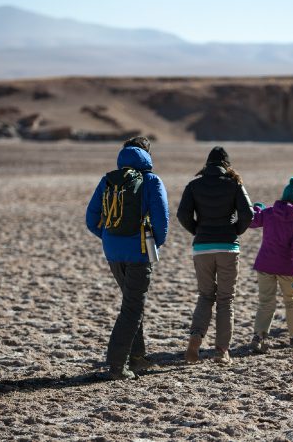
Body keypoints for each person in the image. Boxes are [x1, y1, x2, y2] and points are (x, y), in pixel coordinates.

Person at [86, 136, 169, 380]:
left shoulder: (107, 181)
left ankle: (137, 357)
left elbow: (91, 219)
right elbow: (162, 221)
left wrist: (109, 237)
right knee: (133, 307)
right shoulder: (151, 181)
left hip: (112, 252)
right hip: (139, 252)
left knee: (132, 302)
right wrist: (154, 244)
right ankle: (116, 364)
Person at [177, 146, 254, 365]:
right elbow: (248, 213)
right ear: (226, 165)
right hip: (227, 247)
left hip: (202, 248)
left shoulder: (194, 185)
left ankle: (195, 338)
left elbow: (182, 214)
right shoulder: (234, 184)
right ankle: (222, 351)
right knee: (225, 299)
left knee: (205, 296)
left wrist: (197, 230)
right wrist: (236, 230)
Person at [248, 177, 293, 353]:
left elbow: (252, 221)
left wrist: (257, 209)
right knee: (292, 301)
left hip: (265, 264)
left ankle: (259, 337)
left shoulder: (269, 212)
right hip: (286, 268)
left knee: (265, 302)